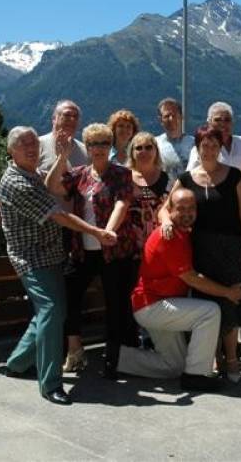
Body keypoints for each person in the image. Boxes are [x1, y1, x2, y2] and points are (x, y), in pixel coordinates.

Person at [0, 126, 116, 405]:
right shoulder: (17, 183)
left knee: (51, 312)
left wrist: (62, 157)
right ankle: (50, 383)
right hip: (31, 258)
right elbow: (58, 215)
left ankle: (17, 364)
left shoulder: (34, 173)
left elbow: (55, 183)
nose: (31, 148)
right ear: (11, 151)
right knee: (51, 310)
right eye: (23, 144)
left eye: (33, 143)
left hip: (51, 255)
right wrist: (96, 232)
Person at [117, 188, 241, 391]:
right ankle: (196, 376)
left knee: (174, 366)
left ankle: (118, 358)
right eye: (181, 208)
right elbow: (191, 278)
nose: (187, 213)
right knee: (210, 312)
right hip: (153, 306)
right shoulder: (169, 236)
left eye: (191, 208)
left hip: (160, 305)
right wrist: (228, 292)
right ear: (170, 210)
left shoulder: (181, 231)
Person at [163, 124, 241, 383]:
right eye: (205, 145)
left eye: (215, 145)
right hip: (200, 249)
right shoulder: (186, 179)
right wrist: (167, 222)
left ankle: (232, 357)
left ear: (220, 148)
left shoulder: (234, 176)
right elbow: (165, 208)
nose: (210, 150)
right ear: (198, 147)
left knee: (231, 301)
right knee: (207, 303)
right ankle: (213, 357)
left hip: (231, 248)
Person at [45, 123, 135, 379]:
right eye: (94, 144)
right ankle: (74, 350)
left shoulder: (121, 174)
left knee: (115, 304)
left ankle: (113, 358)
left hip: (113, 250)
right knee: (70, 297)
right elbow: (52, 186)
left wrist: (107, 232)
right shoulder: (79, 174)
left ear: (110, 146)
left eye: (104, 143)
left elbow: (122, 204)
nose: (99, 148)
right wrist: (61, 158)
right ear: (87, 147)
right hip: (82, 250)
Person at [127, 131, 171, 255]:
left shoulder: (166, 178)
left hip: (160, 241)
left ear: (156, 151)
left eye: (148, 147)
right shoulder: (124, 178)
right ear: (132, 153)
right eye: (139, 148)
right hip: (130, 244)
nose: (144, 151)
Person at [186, 102, 241, 170]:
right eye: (217, 120)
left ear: (232, 123)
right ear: (209, 122)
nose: (223, 124)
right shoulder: (201, 149)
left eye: (227, 120)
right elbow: (190, 178)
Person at [38, 99, 88, 174]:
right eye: (67, 115)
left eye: (76, 117)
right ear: (54, 118)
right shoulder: (37, 145)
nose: (72, 119)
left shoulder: (86, 152)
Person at [155, 98, 195, 186]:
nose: (171, 119)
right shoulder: (154, 144)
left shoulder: (195, 144)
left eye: (174, 115)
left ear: (181, 117)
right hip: (163, 192)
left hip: (190, 192)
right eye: (167, 116)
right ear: (160, 120)